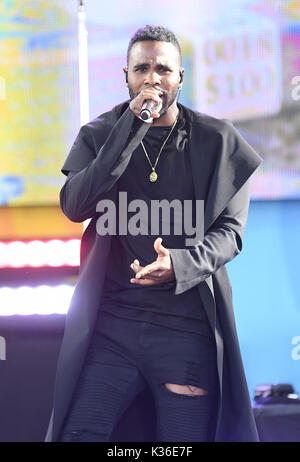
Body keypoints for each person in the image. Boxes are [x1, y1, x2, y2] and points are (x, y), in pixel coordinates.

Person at [45, 25, 263, 442]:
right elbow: (75, 206)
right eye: (141, 68)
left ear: (181, 77)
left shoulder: (218, 142)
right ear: (126, 75)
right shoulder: (99, 134)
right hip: (113, 325)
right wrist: (128, 130)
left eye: (163, 69)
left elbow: (230, 234)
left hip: (185, 326)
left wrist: (178, 264)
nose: (152, 78)